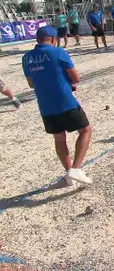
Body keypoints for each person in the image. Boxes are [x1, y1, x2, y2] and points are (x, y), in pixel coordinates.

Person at [22, 26, 93, 185]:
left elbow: (31, 84)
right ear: (53, 39)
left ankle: (69, 175)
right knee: (85, 130)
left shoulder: (26, 58)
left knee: (59, 138)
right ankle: (75, 168)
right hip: (65, 101)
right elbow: (75, 77)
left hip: (46, 105)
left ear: (37, 39)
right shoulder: (58, 52)